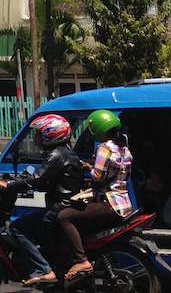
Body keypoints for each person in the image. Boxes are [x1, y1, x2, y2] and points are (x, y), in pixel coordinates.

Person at [0, 113, 84, 286]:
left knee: (17, 228)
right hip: (66, 204)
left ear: (51, 134)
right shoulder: (66, 152)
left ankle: (44, 270)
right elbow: (45, 180)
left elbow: (37, 179)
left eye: (40, 133)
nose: (36, 137)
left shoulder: (56, 154)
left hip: (58, 207)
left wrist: (10, 186)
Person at [56, 110, 134, 280]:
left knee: (64, 216)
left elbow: (97, 176)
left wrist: (88, 168)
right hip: (124, 204)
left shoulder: (104, 148)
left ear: (98, 129)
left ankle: (81, 260)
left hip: (109, 203)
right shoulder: (124, 149)